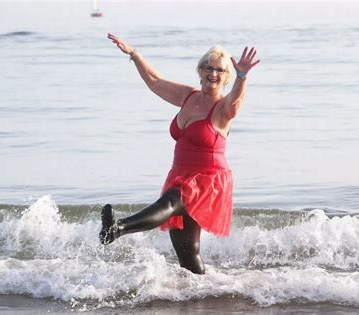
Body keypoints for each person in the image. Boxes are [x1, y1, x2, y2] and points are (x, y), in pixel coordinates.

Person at [100, 33, 260, 274]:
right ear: (200, 69)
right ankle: (202, 294)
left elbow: (236, 102)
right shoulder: (189, 96)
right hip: (181, 173)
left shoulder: (223, 108)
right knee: (187, 252)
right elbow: (155, 82)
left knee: (171, 201)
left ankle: (118, 228)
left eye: (219, 71)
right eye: (209, 68)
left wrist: (242, 76)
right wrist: (134, 54)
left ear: (226, 76)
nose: (213, 74)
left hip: (207, 180)